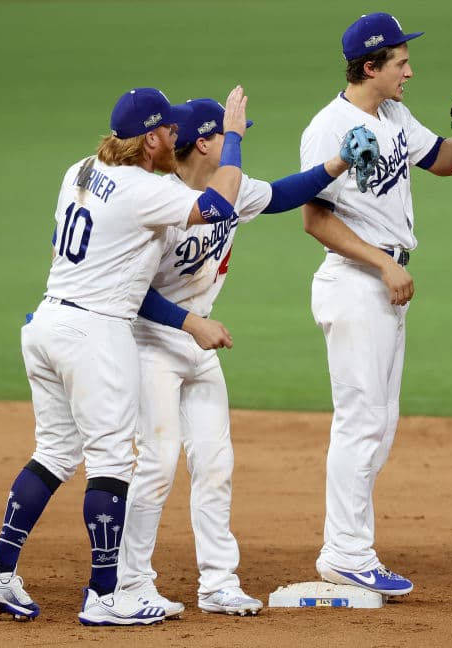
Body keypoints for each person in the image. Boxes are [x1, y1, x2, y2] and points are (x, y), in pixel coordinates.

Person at [0, 85, 249, 626]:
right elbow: (216, 205)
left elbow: (61, 239)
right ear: (150, 141)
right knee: (112, 462)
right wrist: (232, 134)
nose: (176, 137)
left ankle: (0, 570)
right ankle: (105, 594)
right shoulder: (143, 189)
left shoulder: (80, 168)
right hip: (96, 334)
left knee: (54, 452)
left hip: (49, 318)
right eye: (169, 131)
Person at [115, 99, 378, 616]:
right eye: (232, 135)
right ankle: (130, 583)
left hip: (199, 345)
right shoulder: (159, 201)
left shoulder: (230, 191)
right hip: (151, 344)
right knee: (159, 464)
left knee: (215, 465)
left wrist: (339, 163)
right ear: (207, 142)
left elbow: (281, 195)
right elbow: (135, 292)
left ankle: (217, 582)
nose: (240, 142)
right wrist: (191, 323)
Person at [300, 12, 452, 597]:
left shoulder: (394, 114)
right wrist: (381, 264)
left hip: (385, 279)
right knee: (362, 421)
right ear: (370, 66)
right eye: (401, 62)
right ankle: (347, 552)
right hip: (356, 280)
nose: (411, 70)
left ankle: (346, 545)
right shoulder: (328, 128)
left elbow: (446, 161)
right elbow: (315, 218)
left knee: (381, 426)